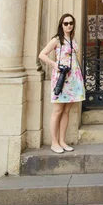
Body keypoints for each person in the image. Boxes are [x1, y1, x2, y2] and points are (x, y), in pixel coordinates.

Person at [39, 13, 85, 154]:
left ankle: (62, 141)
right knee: (58, 110)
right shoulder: (57, 40)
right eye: (65, 23)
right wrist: (54, 64)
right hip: (61, 77)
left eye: (71, 23)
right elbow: (42, 54)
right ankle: (54, 142)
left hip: (73, 78)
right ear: (61, 25)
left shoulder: (72, 38)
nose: (69, 25)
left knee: (66, 111)